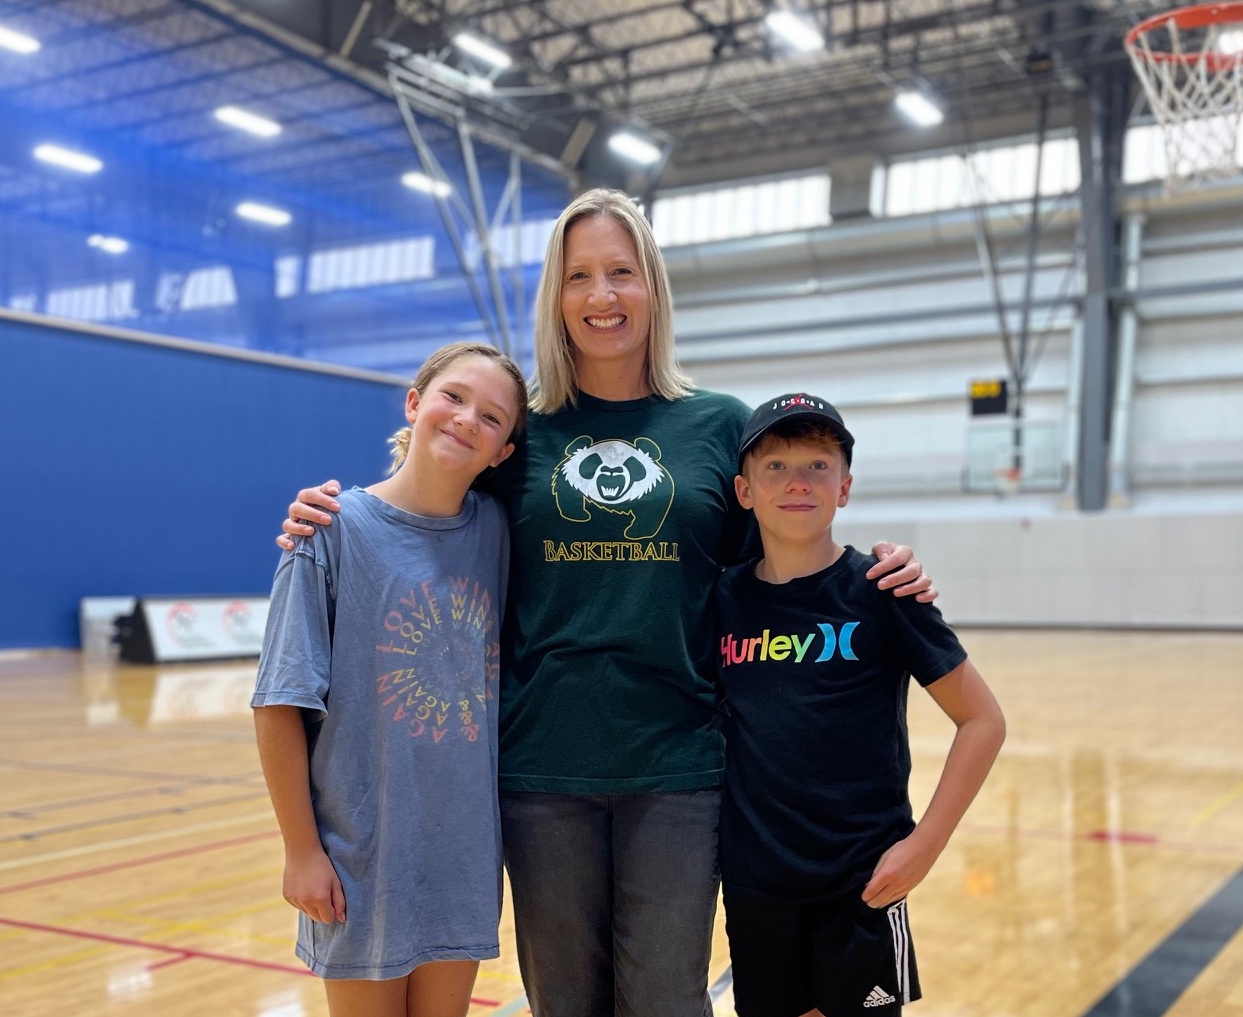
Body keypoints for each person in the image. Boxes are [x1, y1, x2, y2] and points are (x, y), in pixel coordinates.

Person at [278, 189, 937, 1017]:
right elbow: (425, 501)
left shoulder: (716, 424)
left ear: (652, 287)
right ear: (555, 294)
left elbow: (781, 561)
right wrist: (329, 511)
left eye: (620, 272)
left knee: (665, 998)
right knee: (565, 1003)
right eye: (579, 275)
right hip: (540, 769)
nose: (601, 296)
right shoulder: (523, 431)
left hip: (680, 767)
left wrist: (880, 567)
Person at [252, 342, 528, 1017]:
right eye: (454, 396)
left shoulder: (498, 530)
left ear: (502, 454)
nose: (467, 419)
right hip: (360, 862)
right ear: (414, 401)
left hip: (461, 861)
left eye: (492, 418)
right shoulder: (328, 531)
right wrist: (300, 852)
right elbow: (278, 703)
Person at [716, 392, 1006, 1017]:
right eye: (775, 467)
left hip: (862, 880)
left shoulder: (883, 590)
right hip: (754, 880)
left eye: (818, 465)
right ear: (744, 491)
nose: (798, 482)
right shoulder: (721, 598)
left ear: (844, 487)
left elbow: (982, 721)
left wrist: (925, 844)